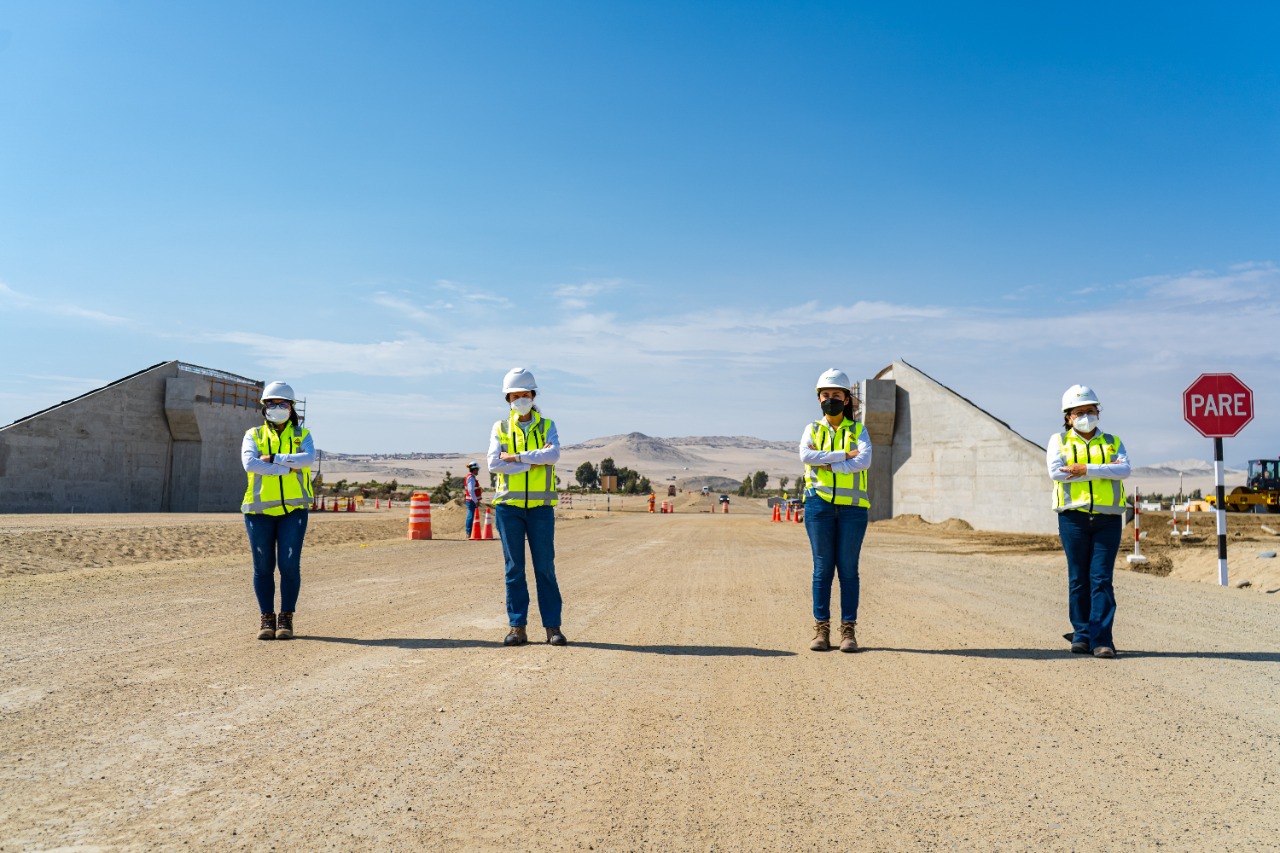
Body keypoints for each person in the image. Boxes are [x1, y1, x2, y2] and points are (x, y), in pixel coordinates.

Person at [1048, 384, 1131, 659]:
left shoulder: (1113, 441)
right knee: (1079, 579)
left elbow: (1124, 470)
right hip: (1073, 518)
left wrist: (1085, 469)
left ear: (1098, 412)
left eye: (1091, 410)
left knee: (1102, 579)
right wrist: (1104, 471)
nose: (1086, 416)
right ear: (1068, 417)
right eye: (1080, 412)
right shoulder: (1058, 441)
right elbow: (1057, 473)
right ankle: (1082, 635)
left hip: (1108, 519)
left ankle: (1102, 639)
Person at [487, 367, 567, 647]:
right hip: (508, 507)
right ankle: (517, 628)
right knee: (514, 570)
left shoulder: (548, 426)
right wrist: (533, 461)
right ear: (507, 399)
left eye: (524, 395)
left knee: (545, 568)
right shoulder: (500, 428)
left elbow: (553, 455)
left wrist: (516, 457)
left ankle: (553, 628)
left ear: (533, 395)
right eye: (514, 396)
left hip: (540, 509)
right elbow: (494, 463)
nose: (520, 400)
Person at [799, 368, 872, 653]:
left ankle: (848, 631)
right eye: (826, 394)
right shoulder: (812, 429)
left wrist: (828, 463)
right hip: (819, 506)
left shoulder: (858, 430)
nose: (831, 399)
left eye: (836, 395)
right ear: (819, 399)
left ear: (846, 399)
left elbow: (864, 461)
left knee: (848, 570)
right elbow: (806, 455)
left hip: (853, 509)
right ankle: (822, 630)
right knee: (822, 569)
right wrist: (843, 457)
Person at [241, 381, 315, 641]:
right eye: (271, 403)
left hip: (293, 511)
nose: (277, 408)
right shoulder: (253, 435)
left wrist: (273, 459)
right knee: (263, 568)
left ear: (291, 407)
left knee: (289, 566)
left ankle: (286, 617)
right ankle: (266, 618)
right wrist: (287, 468)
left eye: (282, 404)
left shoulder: (302, 435)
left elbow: (308, 459)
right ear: (264, 408)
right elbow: (250, 464)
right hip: (258, 511)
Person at [463, 461, 483, 537]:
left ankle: (470, 532)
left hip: (471, 500)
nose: (478, 471)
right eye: (477, 469)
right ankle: (469, 532)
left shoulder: (471, 477)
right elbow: (471, 490)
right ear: (474, 469)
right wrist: (476, 501)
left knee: (471, 516)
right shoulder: (471, 478)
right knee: (471, 516)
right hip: (471, 501)